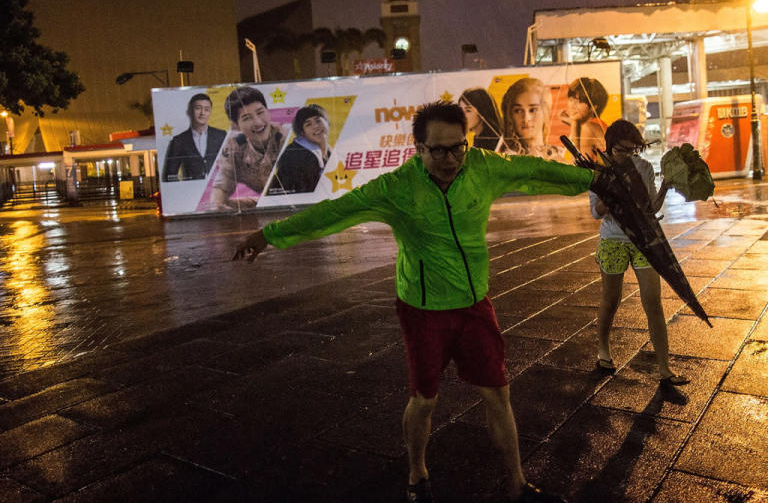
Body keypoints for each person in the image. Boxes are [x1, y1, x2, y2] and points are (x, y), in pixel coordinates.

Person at [233, 101, 615, 503]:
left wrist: (592, 179)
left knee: (497, 394)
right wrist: (267, 236)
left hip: (473, 305)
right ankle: (417, 473)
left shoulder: (483, 167)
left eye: (457, 148)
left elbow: (536, 171)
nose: (450, 159)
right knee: (424, 400)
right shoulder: (396, 188)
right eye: (438, 150)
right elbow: (334, 212)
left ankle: (517, 485)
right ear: (417, 148)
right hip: (422, 310)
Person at [589, 120, 688, 385]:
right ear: (610, 147)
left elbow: (652, 207)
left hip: (643, 240)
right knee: (611, 300)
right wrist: (610, 196)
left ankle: (665, 368)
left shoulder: (643, 168)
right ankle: (603, 349)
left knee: (653, 301)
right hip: (613, 241)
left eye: (632, 151)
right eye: (622, 150)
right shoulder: (599, 171)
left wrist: (666, 185)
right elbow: (595, 211)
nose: (628, 156)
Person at [210, 86, 285, 211]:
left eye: (260, 112)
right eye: (247, 118)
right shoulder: (234, 147)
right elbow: (222, 185)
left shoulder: (286, 138)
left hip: (296, 203)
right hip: (267, 205)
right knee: (219, 205)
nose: (258, 122)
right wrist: (217, 206)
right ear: (235, 125)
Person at [268, 104, 332, 194]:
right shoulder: (297, 155)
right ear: (302, 133)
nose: (315, 126)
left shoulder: (329, 152)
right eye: (308, 124)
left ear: (327, 122)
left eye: (318, 120)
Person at [162, 93, 226, 181]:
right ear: (190, 111)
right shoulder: (179, 141)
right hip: (192, 192)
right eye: (198, 108)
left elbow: (231, 165)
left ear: (210, 112)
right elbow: (170, 175)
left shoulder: (221, 135)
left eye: (206, 109)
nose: (202, 113)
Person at [496, 77, 564, 159]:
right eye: (518, 111)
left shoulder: (560, 154)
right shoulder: (505, 158)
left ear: (545, 112)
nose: (526, 118)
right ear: (510, 115)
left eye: (532, 110)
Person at [559, 77, 608, 157]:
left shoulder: (588, 128)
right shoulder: (598, 124)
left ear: (593, 106)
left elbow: (579, 165)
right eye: (571, 100)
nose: (573, 106)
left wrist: (574, 123)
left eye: (579, 101)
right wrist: (573, 123)